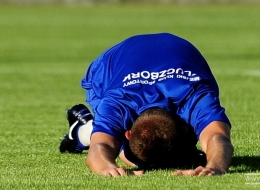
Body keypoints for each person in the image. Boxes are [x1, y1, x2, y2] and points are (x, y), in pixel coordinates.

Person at [59, 32, 233, 177]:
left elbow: (217, 137)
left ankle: (97, 129)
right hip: (107, 68)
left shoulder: (193, 93)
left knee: (142, 150)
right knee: (122, 148)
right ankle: (83, 130)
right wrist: (107, 168)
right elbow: (99, 148)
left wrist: (214, 167)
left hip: (160, 50)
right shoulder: (117, 101)